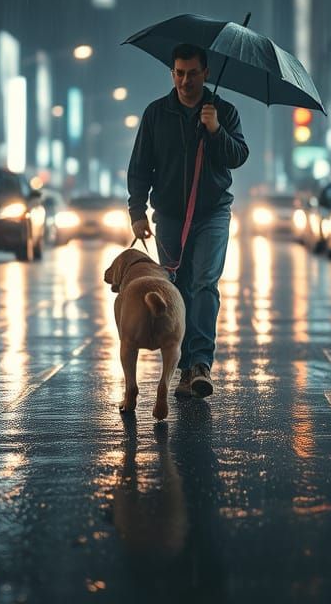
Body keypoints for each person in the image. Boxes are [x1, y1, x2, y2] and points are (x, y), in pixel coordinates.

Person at [128, 43, 249, 399]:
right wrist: (137, 212)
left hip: (212, 213)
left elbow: (238, 156)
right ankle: (181, 365)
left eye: (192, 73)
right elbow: (140, 168)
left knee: (204, 283)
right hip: (169, 216)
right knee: (176, 287)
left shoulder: (223, 111)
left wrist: (215, 130)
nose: (185, 81)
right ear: (172, 73)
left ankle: (200, 364)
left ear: (206, 73)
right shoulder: (156, 114)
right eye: (179, 73)